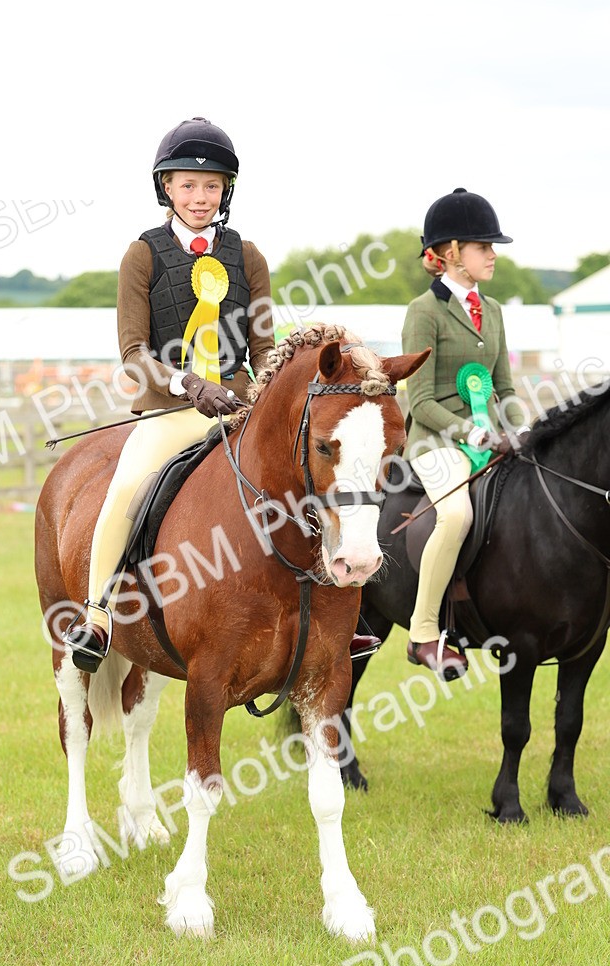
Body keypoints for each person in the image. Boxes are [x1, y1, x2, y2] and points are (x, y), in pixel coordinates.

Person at [65, 116, 380, 672]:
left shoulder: (246, 255)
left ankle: (342, 617)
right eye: (188, 185)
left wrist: (265, 398)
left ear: (225, 191)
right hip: (171, 412)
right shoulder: (143, 256)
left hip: (240, 412)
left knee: (321, 484)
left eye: (211, 186)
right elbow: (133, 352)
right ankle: (97, 616)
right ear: (166, 187)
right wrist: (188, 383)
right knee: (124, 492)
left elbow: (265, 351)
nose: (200, 197)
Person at [401, 188, 530, 680]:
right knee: (455, 515)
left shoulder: (493, 311)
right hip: (436, 442)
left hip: (491, 436)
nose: (493, 255)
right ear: (452, 252)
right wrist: (469, 434)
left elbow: (504, 385)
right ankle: (423, 632)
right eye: (484, 247)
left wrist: (522, 430)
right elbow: (421, 400)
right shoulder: (424, 311)